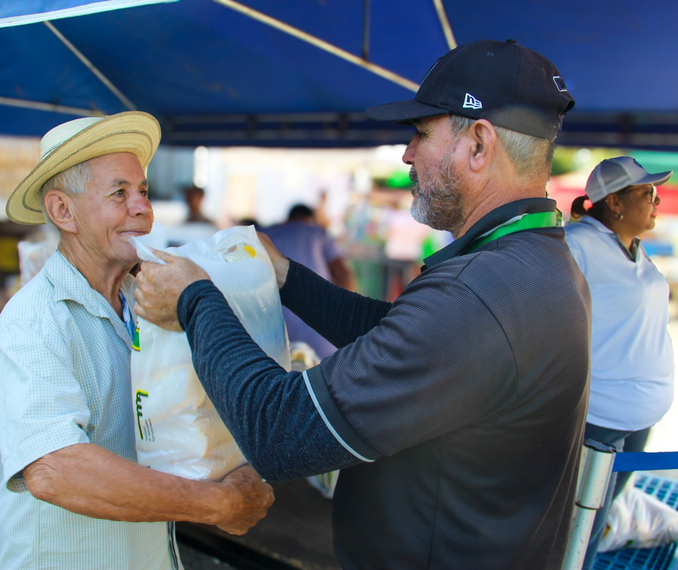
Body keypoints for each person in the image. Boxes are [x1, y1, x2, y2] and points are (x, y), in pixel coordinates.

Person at [134, 40, 591, 569]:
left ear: (479, 145)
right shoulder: (531, 260)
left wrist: (194, 299)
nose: (407, 154)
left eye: (421, 134)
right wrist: (285, 277)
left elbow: (279, 432)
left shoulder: (480, 297)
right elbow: (397, 335)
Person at [0, 111, 273, 570]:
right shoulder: (33, 322)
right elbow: (54, 469)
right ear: (64, 211)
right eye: (119, 193)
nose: (142, 208)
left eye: (142, 191)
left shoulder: (147, 297)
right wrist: (215, 504)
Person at [565, 156, 675, 568]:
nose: (656, 201)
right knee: (580, 528)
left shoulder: (635, 250)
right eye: (648, 193)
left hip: (637, 419)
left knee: (596, 518)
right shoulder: (577, 245)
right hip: (600, 419)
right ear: (614, 202)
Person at [262, 204, 356, 359]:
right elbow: (344, 275)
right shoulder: (318, 233)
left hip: (276, 326)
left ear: (289, 218)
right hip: (318, 325)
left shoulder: (268, 234)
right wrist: (341, 315)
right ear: (310, 219)